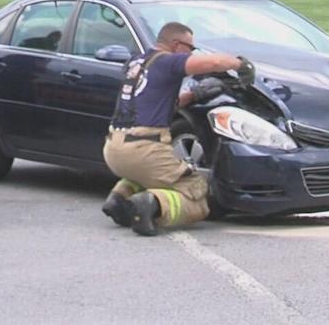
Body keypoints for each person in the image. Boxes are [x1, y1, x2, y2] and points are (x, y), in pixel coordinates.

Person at [100, 22, 255, 236]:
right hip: (145, 149)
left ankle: (119, 199)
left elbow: (153, 101)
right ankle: (152, 204)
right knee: (196, 192)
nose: (191, 53)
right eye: (190, 48)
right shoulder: (168, 62)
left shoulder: (137, 62)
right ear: (176, 44)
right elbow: (215, 62)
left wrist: (194, 95)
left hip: (113, 148)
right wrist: (241, 65)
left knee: (147, 174)